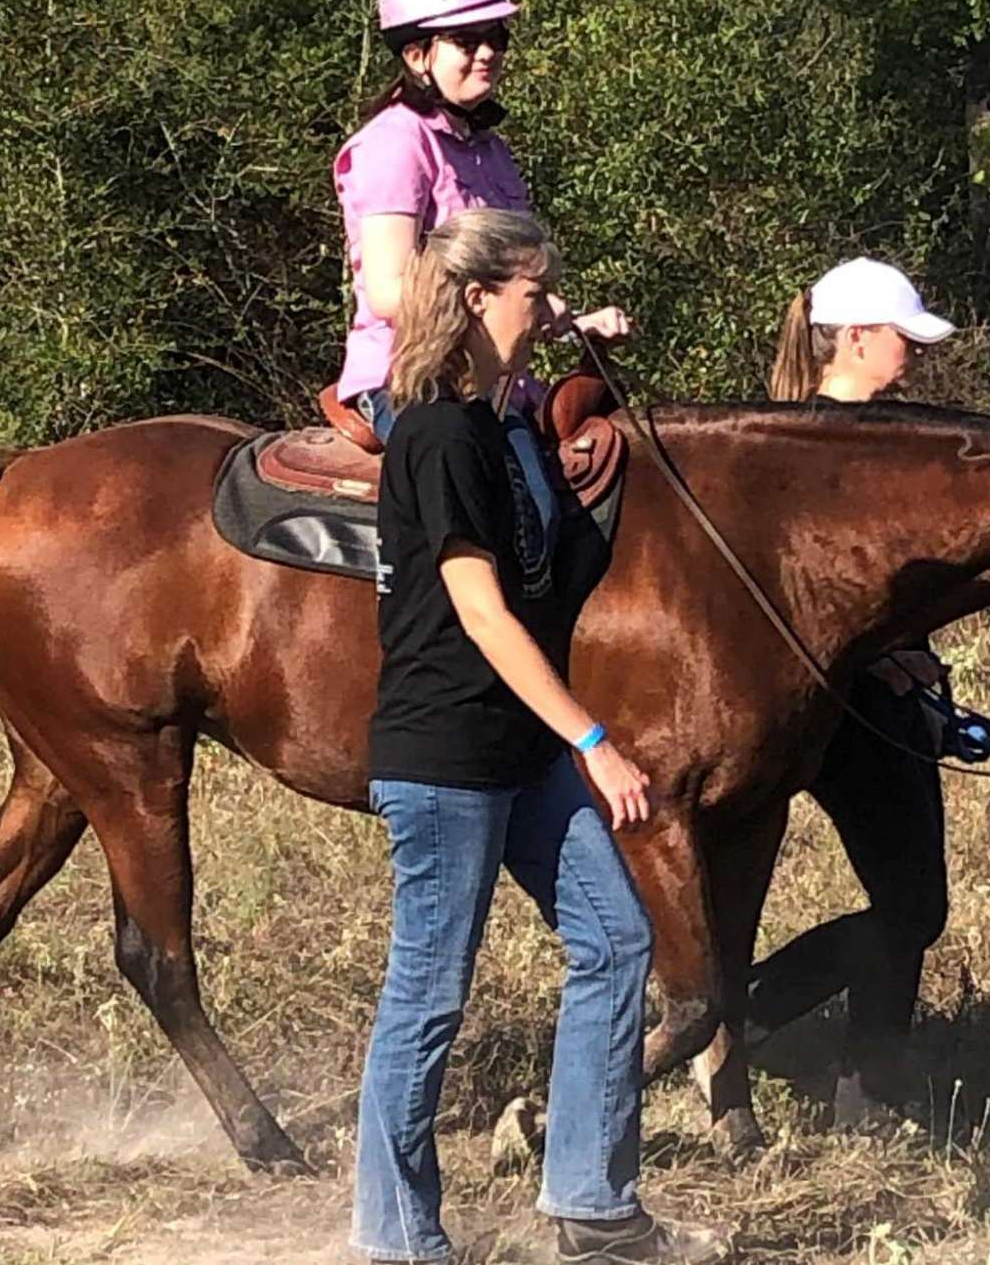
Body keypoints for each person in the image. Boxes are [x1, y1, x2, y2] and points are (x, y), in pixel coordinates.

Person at [353, 206, 727, 1265]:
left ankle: (592, 1203)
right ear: (477, 299)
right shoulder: (432, 431)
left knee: (616, 938)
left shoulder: (502, 425)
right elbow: (479, 612)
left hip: (518, 751)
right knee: (430, 991)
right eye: (534, 292)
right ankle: (395, 1238)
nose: (547, 309)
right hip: (446, 755)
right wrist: (595, 738)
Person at [749, 257, 960, 1124]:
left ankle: (870, 1087)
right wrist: (883, 660)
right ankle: (749, 1017)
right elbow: (809, 587)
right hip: (848, 702)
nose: (911, 351)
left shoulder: (868, 431)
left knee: (912, 901)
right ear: (857, 337)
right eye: (901, 336)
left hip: (890, 688)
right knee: (914, 904)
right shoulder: (814, 444)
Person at [333, 0, 630, 447]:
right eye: (467, 40)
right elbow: (389, 292)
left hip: (494, 384)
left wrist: (564, 317)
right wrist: (519, 307)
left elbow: (510, 282)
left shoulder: (492, 151)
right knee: (524, 505)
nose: (488, 52)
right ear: (416, 55)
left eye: (496, 36)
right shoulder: (393, 144)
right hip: (413, 383)